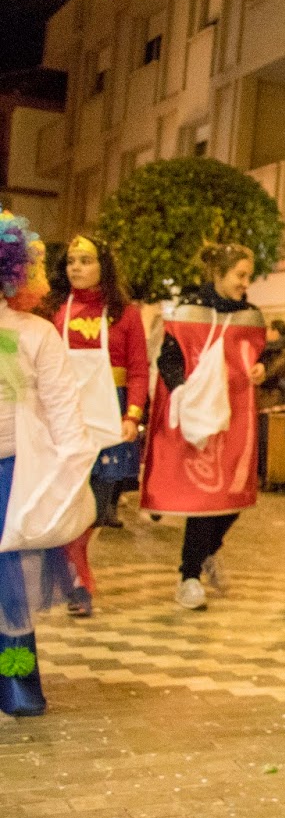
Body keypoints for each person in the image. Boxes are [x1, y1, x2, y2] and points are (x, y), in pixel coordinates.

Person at [142, 241, 267, 612]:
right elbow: (168, 359)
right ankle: (189, 576)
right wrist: (184, 394)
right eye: (240, 275)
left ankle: (209, 552)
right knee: (204, 499)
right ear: (219, 274)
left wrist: (259, 369)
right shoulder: (188, 311)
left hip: (237, 416)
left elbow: (257, 356)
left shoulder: (251, 316)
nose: (245, 283)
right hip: (198, 417)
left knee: (233, 496)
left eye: (248, 276)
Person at [0, 211, 88, 717]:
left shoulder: (35, 333)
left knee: (11, 593)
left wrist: (70, 468)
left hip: (14, 478)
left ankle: (16, 683)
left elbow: (62, 404)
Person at [43, 235, 148, 617]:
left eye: (85, 260)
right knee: (69, 499)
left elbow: (138, 369)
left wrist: (132, 415)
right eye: (71, 260)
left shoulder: (127, 314)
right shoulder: (56, 310)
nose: (76, 267)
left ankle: (74, 568)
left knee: (100, 506)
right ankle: (78, 580)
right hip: (66, 416)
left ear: (104, 267)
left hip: (111, 416)